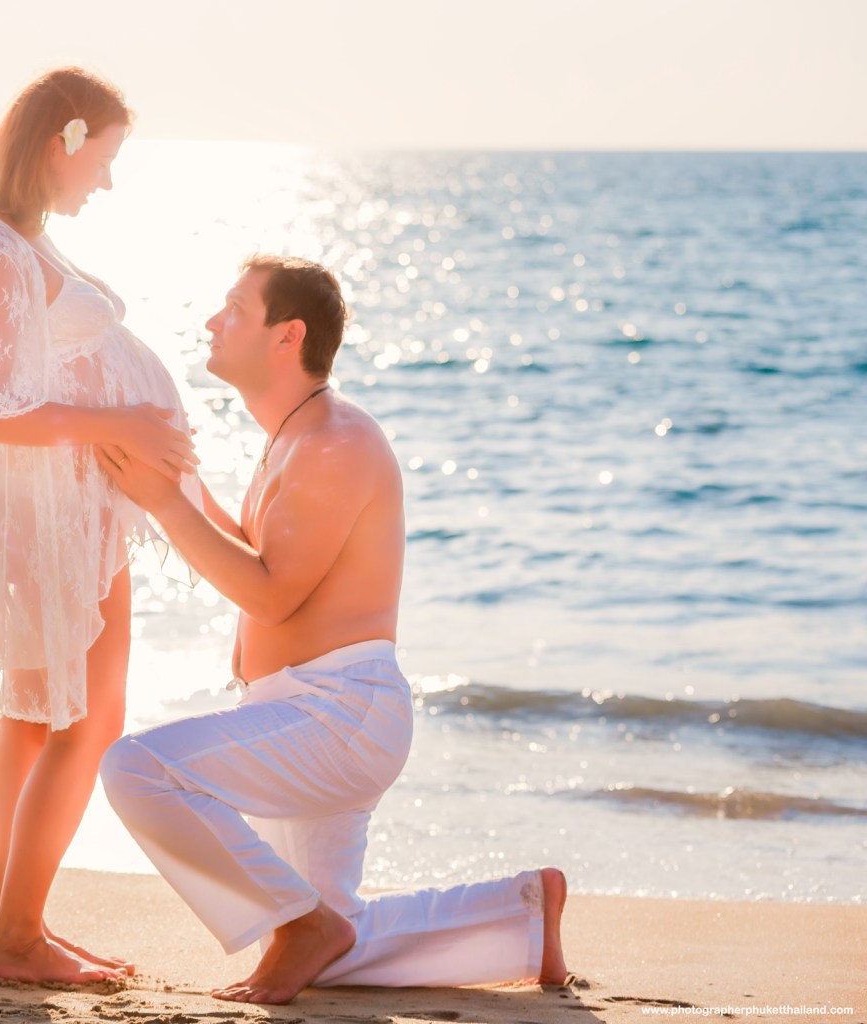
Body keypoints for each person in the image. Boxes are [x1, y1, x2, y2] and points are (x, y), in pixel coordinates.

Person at [96, 255, 569, 1004]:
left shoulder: (333, 443)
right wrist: (169, 479)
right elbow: (253, 550)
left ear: (288, 337)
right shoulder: (294, 436)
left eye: (234, 310)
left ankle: (301, 929)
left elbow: (272, 593)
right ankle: (521, 918)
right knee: (333, 943)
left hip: (338, 712)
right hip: (300, 710)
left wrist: (166, 502)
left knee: (136, 768)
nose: (213, 322)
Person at [0, 67, 201, 985]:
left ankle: (19, 930)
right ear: (60, 144)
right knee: (83, 720)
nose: (106, 181)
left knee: (35, 723)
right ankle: (17, 937)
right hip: (49, 513)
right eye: (103, 159)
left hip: (74, 509)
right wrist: (126, 425)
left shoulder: (21, 237)